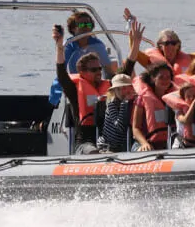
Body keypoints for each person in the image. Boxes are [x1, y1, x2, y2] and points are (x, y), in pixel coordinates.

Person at [53, 19, 143, 153]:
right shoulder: (74, 90)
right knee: (92, 151)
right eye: (94, 70)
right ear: (82, 72)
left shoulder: (109, 86)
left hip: (106, 142)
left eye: (99, 68)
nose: (99, 72)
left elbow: (127, 70)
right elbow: (61, 73)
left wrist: (135, 44)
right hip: (84, 143)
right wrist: (59, 45)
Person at [124, 5, 195, 74]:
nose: (170, 46)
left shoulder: (189, 58)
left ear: (178, 45)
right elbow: (134, 52)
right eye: (166, 43)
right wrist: (132, 26)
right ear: (160, 46)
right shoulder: (149, 61)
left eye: (173, 43)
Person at [132, 62, 176, 151]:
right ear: (153, 79)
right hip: (146, 142)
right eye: (161, 77)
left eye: (168, 77)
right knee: (143, 150)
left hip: (170, 142)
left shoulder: (175, 97)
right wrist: (144, 143)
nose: (165, 80)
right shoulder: (142, 98)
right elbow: (135, 128)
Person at [61, 11, 118, 76]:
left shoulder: (98, 45)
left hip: (95, 82)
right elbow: (62, 70)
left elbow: (108, 71)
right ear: (73, 28)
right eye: (81, 25)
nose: (86, 27)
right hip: (75, 82)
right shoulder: (68, 45)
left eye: (88, 25)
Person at [97, 74, 136, 152]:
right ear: (114, 91)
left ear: (131, 88)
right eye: (118, 89)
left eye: (125, 88)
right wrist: (124, 104)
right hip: (108, 146)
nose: (122, 92)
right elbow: (120, 127)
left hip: (127, 145)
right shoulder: (111, 104)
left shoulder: (136, 102)